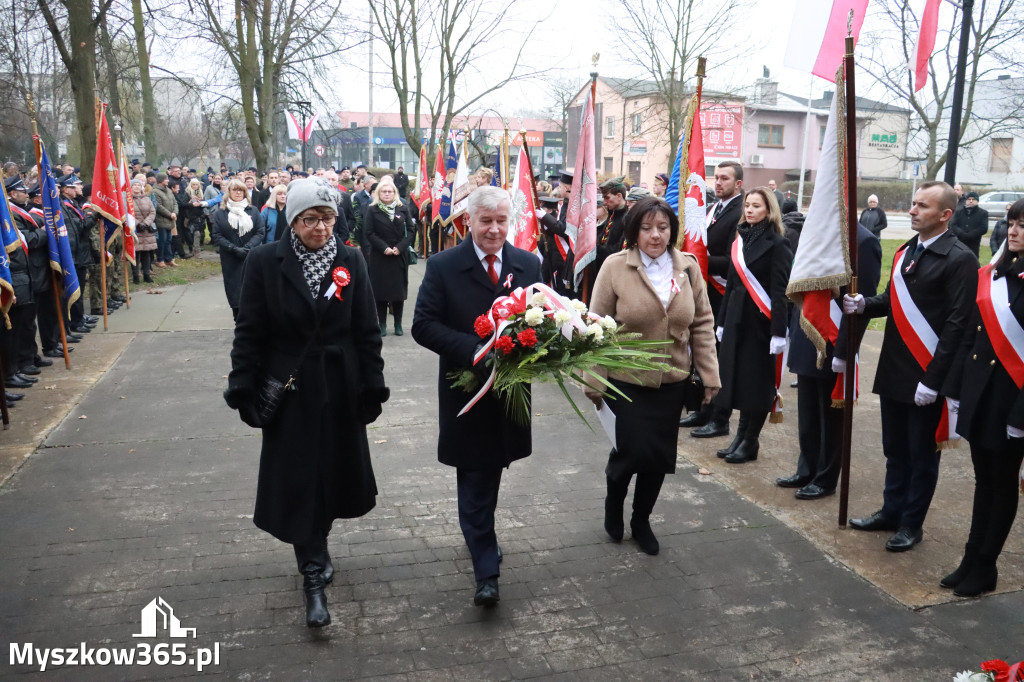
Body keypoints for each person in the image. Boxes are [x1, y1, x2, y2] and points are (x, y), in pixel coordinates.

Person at [224, 177, 389, 628]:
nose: (321, 228)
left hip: (339, 386)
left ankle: (318, 541)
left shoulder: (350, 258)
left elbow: (366, 330)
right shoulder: (264, 261)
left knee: (333, 474)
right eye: (310, 219)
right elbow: (250, 330)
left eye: (328, 217)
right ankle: (312, 574)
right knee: (299, 478)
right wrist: (242, 385)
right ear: (292, 220)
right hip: (289, 387)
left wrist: (373, 385)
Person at [412, 186, 542, 607]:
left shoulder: (527, 264)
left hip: (509, 395)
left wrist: (540, 348)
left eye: (502, 220)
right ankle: (486, 570)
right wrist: (475, 350)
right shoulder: (445, 265)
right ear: (468, 221)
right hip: (465, 392)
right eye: (486, 220)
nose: (494, 229)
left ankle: (481, 533)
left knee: (492, 471)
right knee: (474, 476)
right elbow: (424, 325)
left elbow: (545, 320)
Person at [844, 181, 979, 552]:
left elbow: (958, 325)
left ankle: (910, 523)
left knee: (922, 455)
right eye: (913, 204)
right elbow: (893, 300)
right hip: (895, 367)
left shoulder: (960, 259)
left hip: (926, 374)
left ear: (945, 215)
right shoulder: (906, 250)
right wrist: (864, 305)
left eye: (922, 206)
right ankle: (890, 511)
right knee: (895, 448)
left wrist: (934, 381)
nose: (913, 210)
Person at [584, 197, 720, 554]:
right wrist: (594, 380)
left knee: (657, 457)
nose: (655, 236)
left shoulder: (687, 267)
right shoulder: (615, 267)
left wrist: (709, 375)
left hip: (671, 382)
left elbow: (703, 323)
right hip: (625, 381)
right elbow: (594, 326)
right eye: (646, 228)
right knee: (629, 453)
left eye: (662, 228)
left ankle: (641, 520)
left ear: (672, 231)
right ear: (634, 231)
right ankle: (614, 503)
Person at [941, 198, 1024, 597]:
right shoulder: (994, 273)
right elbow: (971, 334)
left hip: (1012, 400)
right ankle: (971, 558)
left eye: (1023, 225)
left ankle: (986, 564)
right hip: (981, 391)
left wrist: (1022, 415)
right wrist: (955, 389)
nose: (1014, 231)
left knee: (1002, 482)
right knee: (983, 480)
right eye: (1012, 223)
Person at [778, 222, 882, 499]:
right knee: (808, 411)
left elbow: (865, 300)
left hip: (835, 339)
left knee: (830, 415)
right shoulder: (816, 231)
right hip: (808, 330)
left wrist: (846, 352)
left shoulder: (863, 241)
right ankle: (806, 468)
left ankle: (826, 478)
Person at [712, 187, 792, 464]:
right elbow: (732, 285)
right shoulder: (740, 240)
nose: (749, 210)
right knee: (740, 381)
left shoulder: (778, 243)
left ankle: (750, 440)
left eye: (756, 206)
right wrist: (721, 321)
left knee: (756, 385)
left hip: (761, 324)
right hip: (736, 319)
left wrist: (778, 332)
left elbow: (782, 291)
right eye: (747, 205)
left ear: (769, 211)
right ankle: (740, 436)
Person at [681, 161, 744, 437]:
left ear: (738, 184)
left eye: (725, 179)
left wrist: (699, 261)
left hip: (722, 292)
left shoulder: (741, 213)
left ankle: (719, 417)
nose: (718, 183)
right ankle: (702, 409)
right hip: (704, 288)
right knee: (700, 350)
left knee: (718, 356)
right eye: (716, 178)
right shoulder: (711, 209)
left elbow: (735, 260)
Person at [363, 176, 415, 336]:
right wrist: (384, 248)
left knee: (398, 292)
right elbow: (369, 232)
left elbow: (412, 231)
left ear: (395, 193)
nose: (387, 194)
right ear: (379, 193)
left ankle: (398, 324)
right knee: (380, 293)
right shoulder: (372, 209)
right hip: (380, 255)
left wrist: (400, 247)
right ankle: (382, 324)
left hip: (399, 255)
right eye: (384, 191)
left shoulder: (403, 208)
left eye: (390, 191)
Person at [211, 178, 266, 320]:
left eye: (241, 190)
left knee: (252, 289)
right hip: (230, 258)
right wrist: (232, 248)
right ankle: (238, 319)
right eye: (234, 190)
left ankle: (253, 320)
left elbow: (260, 231)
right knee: (235, 292)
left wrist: (248, 247)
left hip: (251, 255)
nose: (238, 193)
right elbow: (217, 235)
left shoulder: (252, 210)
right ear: (228, 192)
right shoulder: (220, 213)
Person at [131, 179, 158, 283]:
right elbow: (127, 213)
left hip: (147, 230)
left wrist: (146, 223)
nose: (137, 187)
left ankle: (146, 274)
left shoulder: (147, 198)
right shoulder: (128, 199)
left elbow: (152, 211)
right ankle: (136, 276)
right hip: (135, 230)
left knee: (146, 253)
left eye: (139, 185)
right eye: (135, 185)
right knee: (135, 254)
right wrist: (138, 223)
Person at [950, 191, 989, 257]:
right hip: (959, 241)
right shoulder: (959, 212)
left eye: (973, 199)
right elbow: (953, 225)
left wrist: (970, 235)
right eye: (969, 199)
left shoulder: (983, 213)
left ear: (977, 201)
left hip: (974, 243)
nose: (971, 201)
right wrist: (961, 233)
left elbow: (983, 228)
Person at [151, 173, 178, 268]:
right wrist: (170, 214)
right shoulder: (155, 192)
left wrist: (175, 212)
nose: (168, 180)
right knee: (161, 241)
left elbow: (175, 203)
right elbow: (158, 206)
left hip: (170, 220)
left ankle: (168, 259)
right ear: (161, 180)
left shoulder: (169, 190)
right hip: (161, 220)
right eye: (166, 179)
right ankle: (160, 259)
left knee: (168, 240)